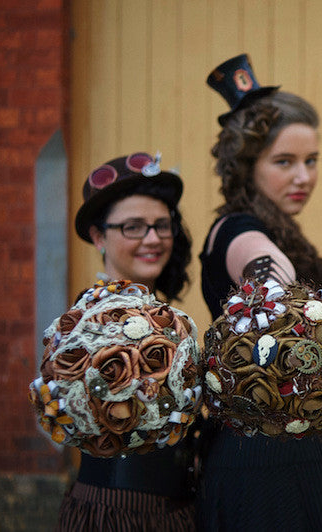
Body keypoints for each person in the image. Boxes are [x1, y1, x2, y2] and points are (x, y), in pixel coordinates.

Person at [197, 53, 322, 531]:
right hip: (258, 461)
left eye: (311, 160)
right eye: (285, 162)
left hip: (298, 454)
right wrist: (275, 285)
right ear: (248, 164)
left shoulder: (288, 229)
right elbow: (262, 264)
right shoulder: (235, 228)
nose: (303, 177)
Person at [57, 151, 195, 531]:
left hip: (176, 513)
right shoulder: (88, 327)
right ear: (99, 236)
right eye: (133, 227)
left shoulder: (167, 317)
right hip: (116, 514)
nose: (152, 239)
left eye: (161, 226)